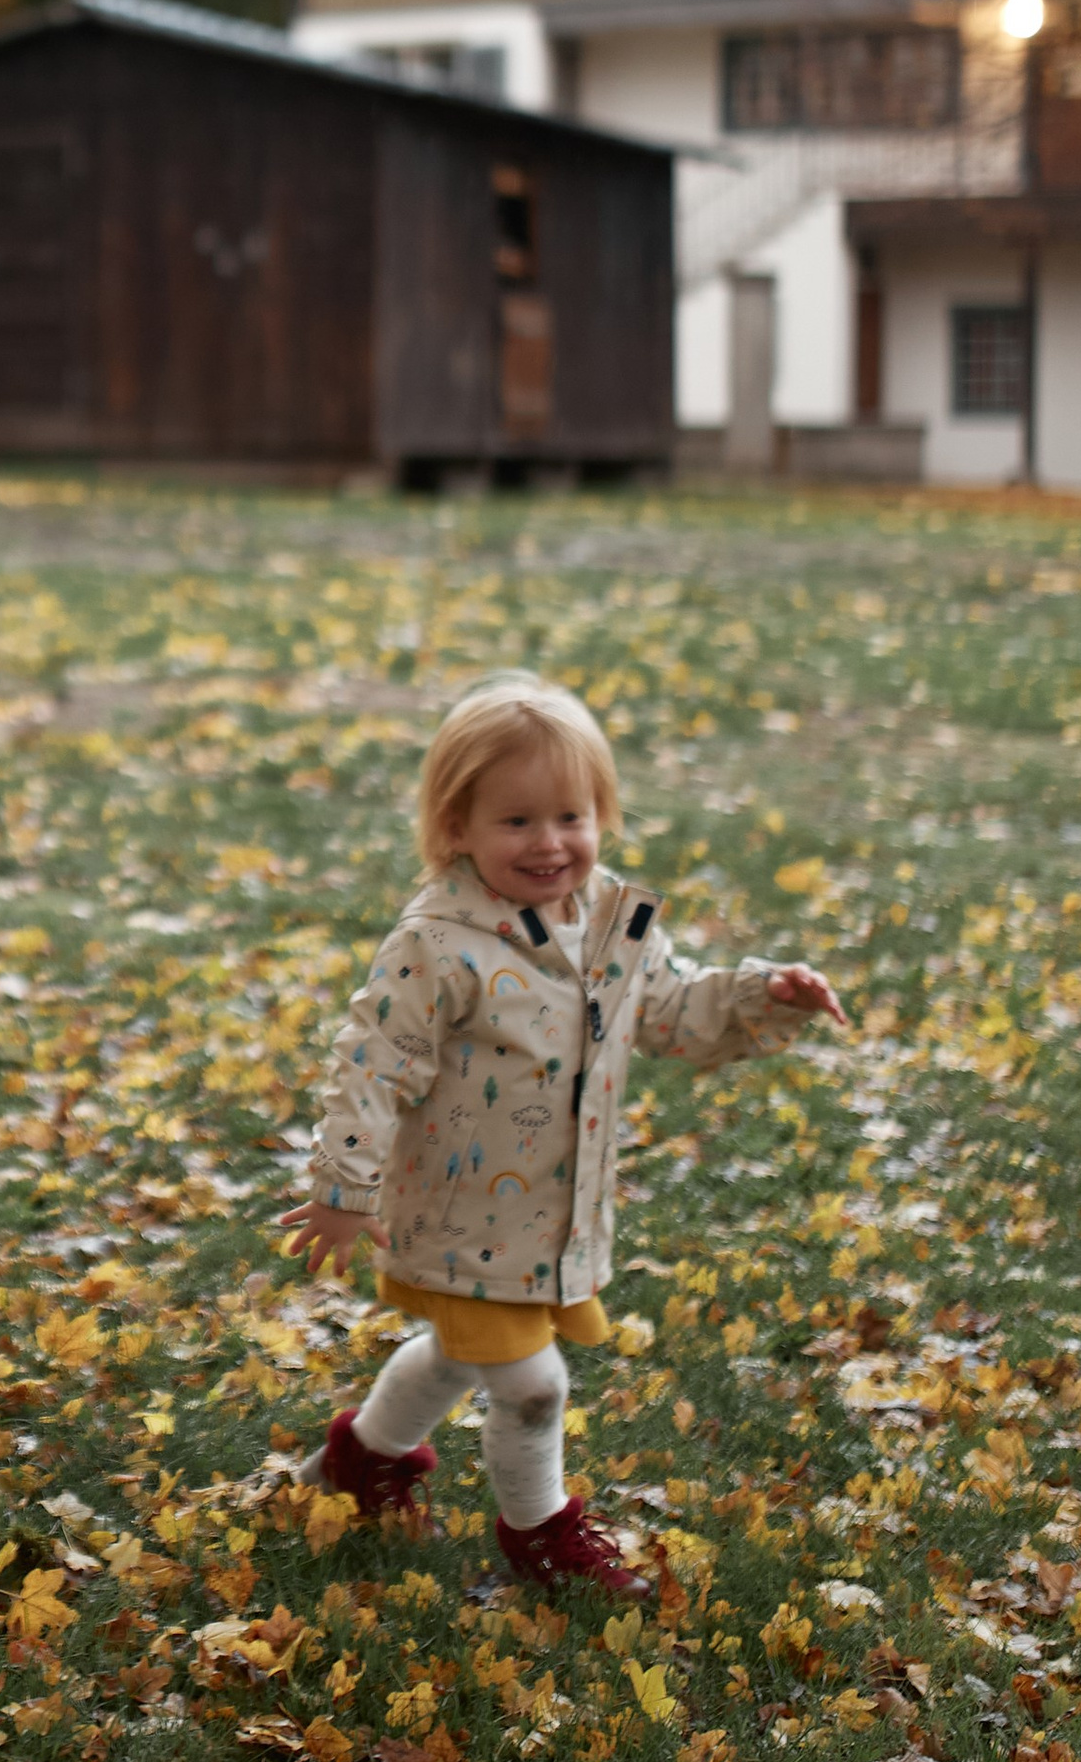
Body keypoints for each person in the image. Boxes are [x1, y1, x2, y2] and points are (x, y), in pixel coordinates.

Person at [275, 670, 845, 1594]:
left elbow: (668, 1013)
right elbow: (374, 1060)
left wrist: (756, 995)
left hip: (550, 1214)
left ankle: (364, 1458)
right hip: (462, 1211)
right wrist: (344, 1190)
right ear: (456, 828)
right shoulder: (439, 944)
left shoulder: (609, 927)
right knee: (531, 1384)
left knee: (464, 1354)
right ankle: (540, 1533)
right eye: (516, 822)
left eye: (571, 817)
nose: (550, 843)